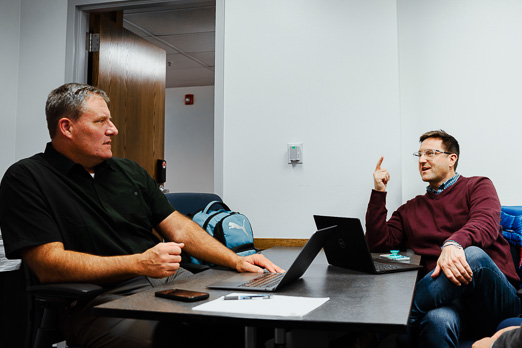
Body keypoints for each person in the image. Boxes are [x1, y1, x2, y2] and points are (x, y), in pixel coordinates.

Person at [0, 83, 283, 348]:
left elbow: (179, 228)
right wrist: (139, 263)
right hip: (101, 303)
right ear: (67, 127)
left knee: (250, 321)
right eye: (101, 122)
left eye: (110, 120)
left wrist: (237, 260)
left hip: (176, 283)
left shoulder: (129, 172)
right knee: (182, 337)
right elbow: (49, 265)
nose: (113, 130)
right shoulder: (26, 178)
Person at [365, 130, 521, 348]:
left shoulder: (478, 186)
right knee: (437, 320)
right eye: (418, 155)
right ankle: (405, 320)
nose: (421, 160)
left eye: (430, 153)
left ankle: (400, 320)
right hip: (449, 302)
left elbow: (485, 224)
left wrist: (453, 243)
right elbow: (378, 245)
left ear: (451, 159)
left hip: (495, 299)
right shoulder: (411, 208)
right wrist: (378, 192)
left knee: (473, 255)